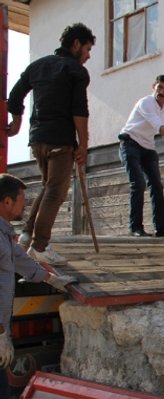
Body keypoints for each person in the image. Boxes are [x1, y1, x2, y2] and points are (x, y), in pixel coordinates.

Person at [7, 23, 95, 265]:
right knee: (55, 192)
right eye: (87, 49)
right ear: (76, 44)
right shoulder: (75, 70)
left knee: (48, 187)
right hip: (60, 140)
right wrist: (83, 145)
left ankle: (26, 237)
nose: (88, 56)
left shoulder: (37, 66)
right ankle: (40, 246)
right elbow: (80, 111)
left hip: (37, 139)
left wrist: (15, 122)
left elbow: (14, 96)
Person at [0, 174, 77, 399]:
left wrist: (50, 278)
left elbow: (22, 261)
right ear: (7, 202)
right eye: (23, 199)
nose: (26, 204)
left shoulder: (4, 235)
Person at [119, 75, 164, 238]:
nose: (162, 92)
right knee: (138, 183)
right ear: (154, 87)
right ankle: (135, 227)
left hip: (148, 147)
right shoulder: (146, 103)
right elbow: (160, 128)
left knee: (157, 185)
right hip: (130, 142)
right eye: (159, 87)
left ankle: (161, 228)